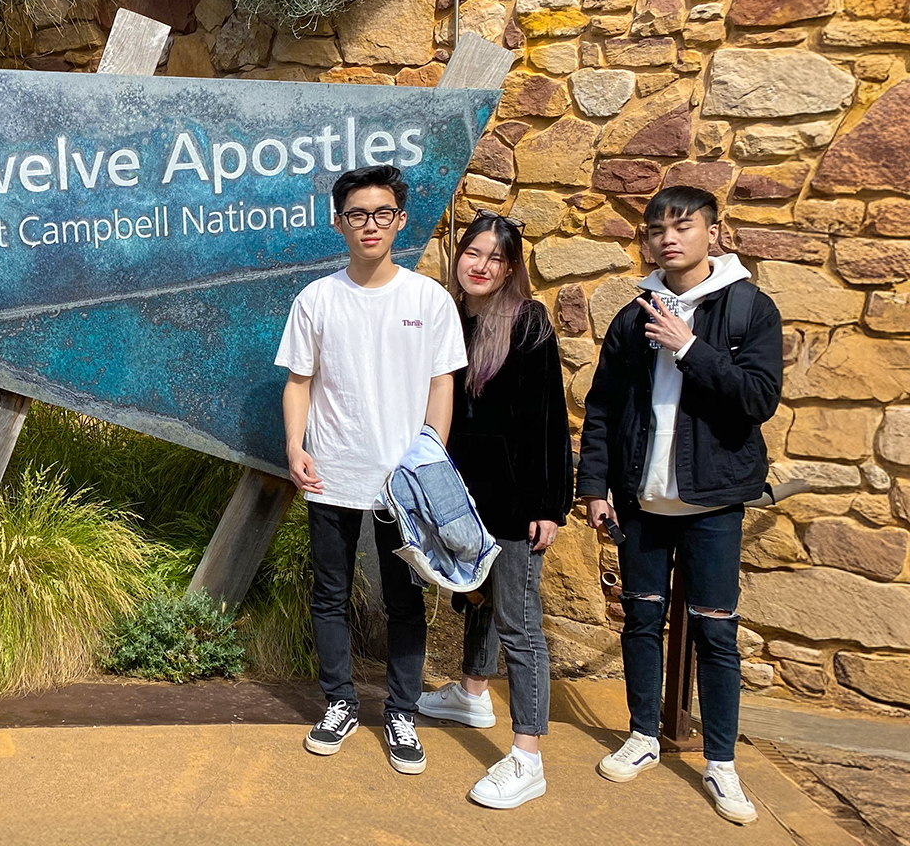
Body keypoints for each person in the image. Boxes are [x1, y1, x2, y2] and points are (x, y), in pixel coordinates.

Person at [578, 186, 782, 825]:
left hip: (713, 503)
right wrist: (594, 487)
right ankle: (643, 734)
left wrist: (689, 347)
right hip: (641, 501)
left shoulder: (748, 308)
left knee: (716, 633)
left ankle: (721, 762)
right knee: (640, 621)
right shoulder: (633, 314)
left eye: (683, 226)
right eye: (656, 228)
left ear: (713, 234)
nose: (668, 238)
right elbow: (604, 406)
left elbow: (758, 399)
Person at [276, 165, 467, 773]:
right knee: (330, 594)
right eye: (357, 214)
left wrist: (429, 460)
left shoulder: (428, 299)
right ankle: (339, 703)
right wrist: (295, 446)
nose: (370, 225)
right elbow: (298, 382)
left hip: (404, 483)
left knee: (405, 600)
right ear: (338, 223)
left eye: (382, 213)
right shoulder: (317, 298)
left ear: (400, 220)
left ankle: (401, 712)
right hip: (331, 473)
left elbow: (442, 383)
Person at [414, 210, 571, 809]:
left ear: (510, 269)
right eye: (472, 253)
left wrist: (548, 506)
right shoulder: (449, 317)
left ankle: (528, 757)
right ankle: (472, 693)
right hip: (462, 494)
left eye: (495, 258)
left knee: (519, 623)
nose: (480, 266)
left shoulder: (527, 323)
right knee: (475, 595)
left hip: (514, 501)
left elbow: (548, 420)